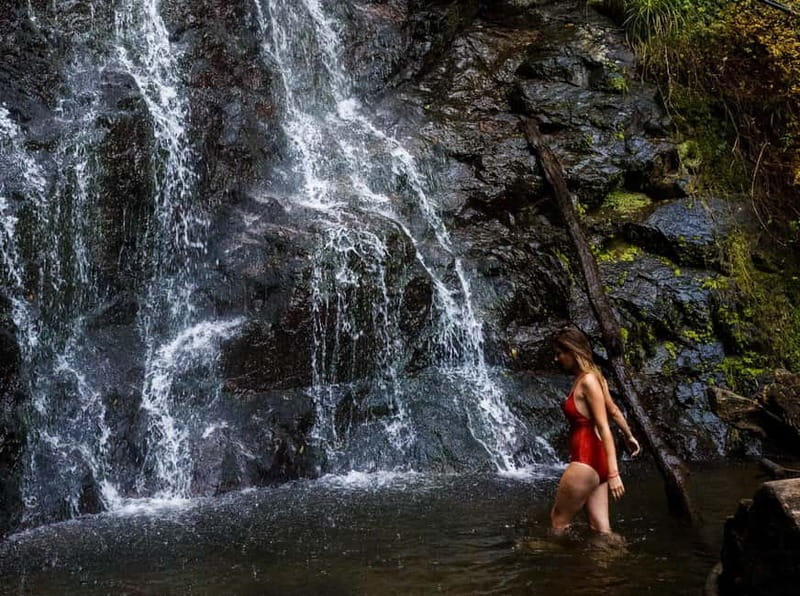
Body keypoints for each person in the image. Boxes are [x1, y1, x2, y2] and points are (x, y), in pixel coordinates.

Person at [549, 325, 637, 535]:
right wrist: (629, 435)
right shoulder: (595, 378)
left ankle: (555, 564)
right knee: (601, 530)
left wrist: (614, 473)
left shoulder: (588, 381)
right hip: (597, 461)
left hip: (585, 460)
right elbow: (614, 411)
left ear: (573, 351)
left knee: (558, 522)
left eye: (560, 353)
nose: (556, 358)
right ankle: (616, 562)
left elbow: (603, 426)